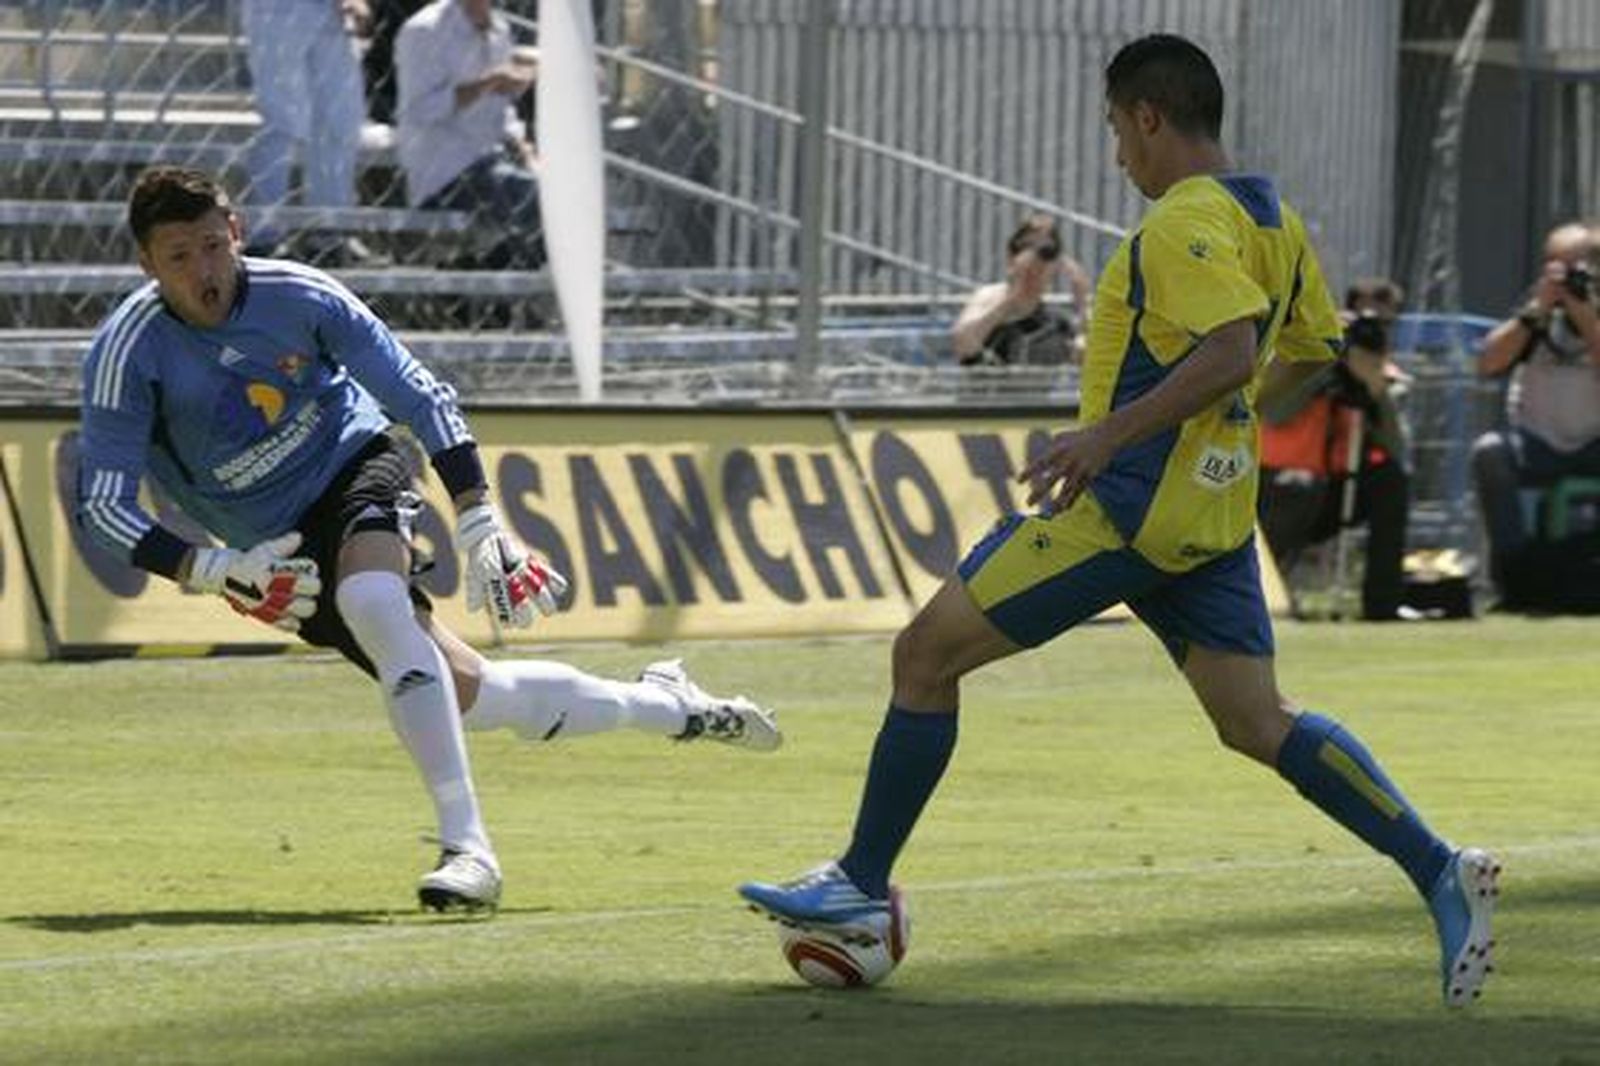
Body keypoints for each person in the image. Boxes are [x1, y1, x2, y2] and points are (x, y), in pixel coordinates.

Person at [739, 34, 1497, 1008]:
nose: (1115, 157)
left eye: (1114, 129)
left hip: (1122, 514)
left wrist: (1108, 436)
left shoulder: (1179, 227)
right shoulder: (1273, 219)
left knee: (924, 656)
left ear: (1147, 117)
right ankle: (1441, 869)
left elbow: (1227, 350)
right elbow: (1314, 347)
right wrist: (1233, 427)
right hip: (1212, 522)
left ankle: (853, 884)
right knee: (1256, 721)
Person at [75, 166, 780, 913]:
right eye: (180, 256)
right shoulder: (129, 353)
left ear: (237, 235)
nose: (204, 271)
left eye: (214, 246)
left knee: (374, 596)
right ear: (148, 265)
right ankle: (668, 706)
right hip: (271, 547)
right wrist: (211, 568)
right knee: (468, 696)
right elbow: (104, 506)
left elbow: (418, 392)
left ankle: (468, 847)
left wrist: (479, 517)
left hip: (354, 465)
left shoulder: (301, 295)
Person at [1258, 278, 1412, 620]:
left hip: (1336, 489)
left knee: (1392, 480)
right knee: (1296, 485)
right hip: (1275, 484)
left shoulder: (1381, 369)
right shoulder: (1302, 355)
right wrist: (1324, 356)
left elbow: (1396, 447)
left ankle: (1383, 606)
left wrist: (1373, 385)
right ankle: (1265, 597)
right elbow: (1276, 412)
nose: (1368, 327)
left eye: (1381, 322)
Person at [1471, 221, 1600, 605]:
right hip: (1534, 443)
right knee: (1489, 453)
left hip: (1593, 443)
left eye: (1575, 267)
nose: (1565, 277)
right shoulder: (1534, 309)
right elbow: (1488, 363)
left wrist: (1585, 316)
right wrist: (1537, 310)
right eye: (1556, 266)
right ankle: (1516, 577)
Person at [394, 0, 547, 269]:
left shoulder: (499, 29)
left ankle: (476, 274)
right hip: (447, 170)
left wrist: (526, 151)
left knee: (557, 196)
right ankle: (480, 280)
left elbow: (504, 112)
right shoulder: (425, 30)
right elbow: (418, 109)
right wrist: (487, 82)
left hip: (493, 161)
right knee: (540, 200)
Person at [238, 0, 382, 266]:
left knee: (340, 121)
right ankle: (263, 236)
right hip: (278, 10)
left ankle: (329, 233)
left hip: (331, 11)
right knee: (282, 121)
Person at [951, 214, 1093, 367]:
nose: (1034, 261)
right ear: (1011, 256)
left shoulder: (1055, 324)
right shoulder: (990, 297)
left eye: (1046, 252)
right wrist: (1011, 298)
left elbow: (1089, 359)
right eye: (1024, 247)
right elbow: (963, 343)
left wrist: (1082, 303)